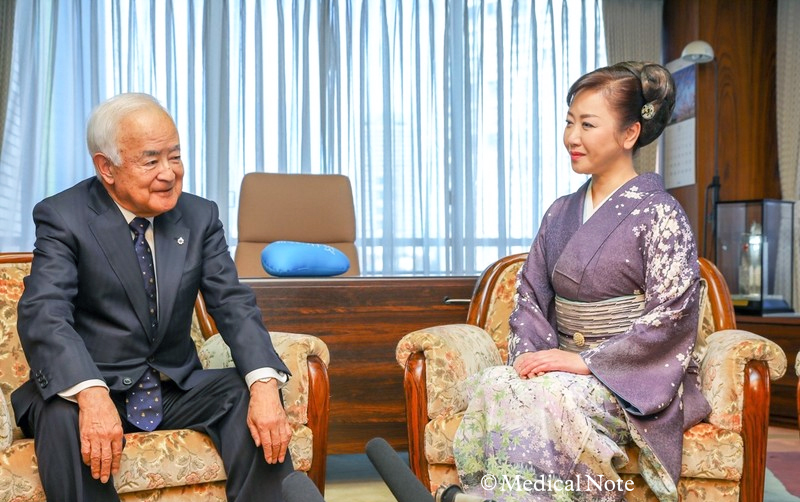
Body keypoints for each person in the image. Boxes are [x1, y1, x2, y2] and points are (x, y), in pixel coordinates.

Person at [11, 93, 294, 502]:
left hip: (173, 386)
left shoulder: (199, 217)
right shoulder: (64, 216)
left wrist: (265, 384)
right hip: (95, 383)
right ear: (106, 167)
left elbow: (233, 304)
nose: (169, 174)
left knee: (246, 392)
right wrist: (91, 393)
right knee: (61, 411)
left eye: (175, 157)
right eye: (151, 160)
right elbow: (44, 313)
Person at [452, 62, 711, 502]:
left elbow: (672, 317)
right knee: (501, 384)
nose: (572, 137)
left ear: (629, 134)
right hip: (563, 367)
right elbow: (530, 298)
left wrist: (586, 361)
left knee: (546, 396)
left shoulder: (661, 214)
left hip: (629, 378)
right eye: (569, 122)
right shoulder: (559, 213)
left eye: (587, 124)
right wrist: (533, 360)